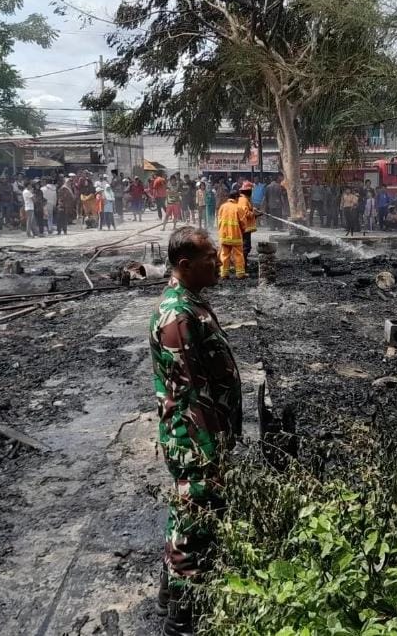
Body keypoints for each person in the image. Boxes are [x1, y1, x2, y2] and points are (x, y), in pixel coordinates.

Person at [150, 227, 242, 635]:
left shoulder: (192, 303)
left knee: (188, 514)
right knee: (195, 519)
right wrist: (210, 451)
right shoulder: (177, 315)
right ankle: (184, 619)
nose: (219, 260)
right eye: (209, 257)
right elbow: (189, 392)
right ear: (185, 265)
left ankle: (172, 593)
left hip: (205, 432)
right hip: (194, 436)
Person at [216, 190, 246, 280]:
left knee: (224, 254)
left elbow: (219, 221)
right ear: (236, 197)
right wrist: (243, 231)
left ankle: (224, 273)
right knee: (238, 254)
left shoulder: (222, 207)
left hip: (224, 235)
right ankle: (240, 274)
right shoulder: (238, 208)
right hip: (235, 236)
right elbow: (243, 222)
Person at [237, 181, 262, 262]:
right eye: (251, 191)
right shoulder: (244, 200)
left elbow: (246, 209)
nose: (252, 193)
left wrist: (253, 210)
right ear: (248, 191)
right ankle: (243, 265)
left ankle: (243, 263)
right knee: (246, 246)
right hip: (245, 227)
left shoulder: (242, 199)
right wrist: (254, 214)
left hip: (244, 226)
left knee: (245, 246)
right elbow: (246, 213)